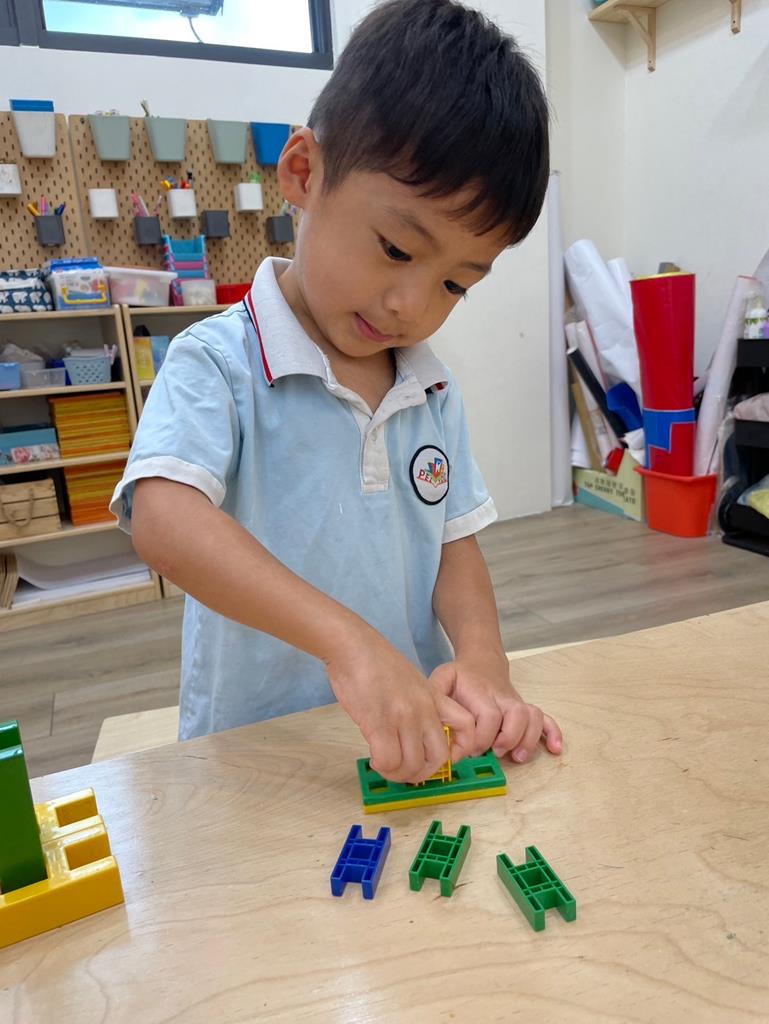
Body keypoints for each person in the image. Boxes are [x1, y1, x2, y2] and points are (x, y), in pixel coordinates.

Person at [110, 0, 562, 784]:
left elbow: (453, 544)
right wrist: (348, 643)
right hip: (255, 749)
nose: (410, 306)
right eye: (396, 249)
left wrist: (485, 660)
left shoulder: (429, 386)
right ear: (303, 172)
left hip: (408, 739)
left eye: (454, 283)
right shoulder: (216, 360)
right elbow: (163, 519)